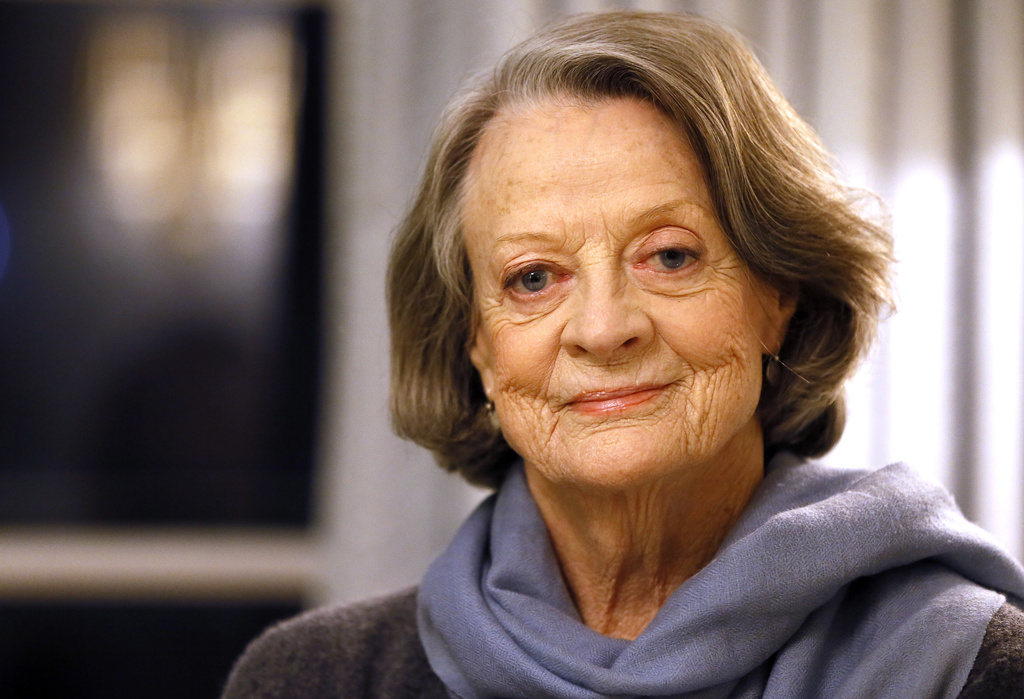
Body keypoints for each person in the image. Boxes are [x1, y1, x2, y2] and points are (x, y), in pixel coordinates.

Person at [223, 11, 1024, 698]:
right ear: (475, 342)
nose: (603, 329)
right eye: (533, 277)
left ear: (781, 295)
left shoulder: (978, 668)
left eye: (669, 256)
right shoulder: (314, 678)